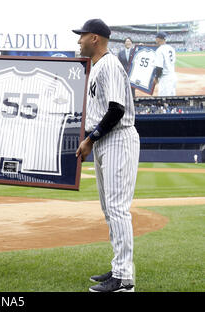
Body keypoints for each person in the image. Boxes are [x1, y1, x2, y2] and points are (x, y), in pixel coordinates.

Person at [73, 19, 140, 292]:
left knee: (117, 209)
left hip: (117, 139)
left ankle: (124, 279)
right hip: (105, 141)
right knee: (109, 209)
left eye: (82, 36)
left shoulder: (110, 64)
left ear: (95, 39)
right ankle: (118, 267)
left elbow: (116, 109)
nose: (78, 41)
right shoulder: (97, 66)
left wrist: (90, 139)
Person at [154, 32, 177, 96]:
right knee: (173, 99)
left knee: (163, 100)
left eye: (156, 38)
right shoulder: (171, 48)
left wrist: (156, 78)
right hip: (173, 76)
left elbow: (159, 67)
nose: (155, 39)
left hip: (165, 78)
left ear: (159, 39)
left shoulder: (160, 50)